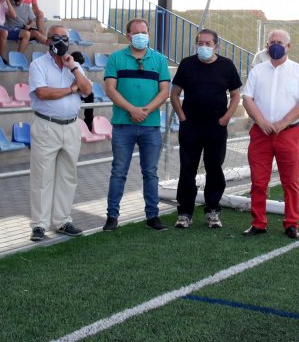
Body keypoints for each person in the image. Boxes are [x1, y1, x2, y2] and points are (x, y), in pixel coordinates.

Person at [241, 29, 299, 239]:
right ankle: (258, 223)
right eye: (272, 42)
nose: (275, 45)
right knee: (258, 181)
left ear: (288, 46)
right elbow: (247, 99)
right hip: (261, 133)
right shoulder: (257, 71)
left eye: (280, 42)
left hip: (289, 133)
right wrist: (262, 122)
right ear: (266, 46)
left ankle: (292, 223)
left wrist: (283, 123)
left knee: (290, 182)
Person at [102, 18, 171, 232]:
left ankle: (152, 216)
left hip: (151, 127)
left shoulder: (159, 60)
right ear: (128, 36)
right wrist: (132, 110)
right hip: (123, 125)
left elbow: (165, 92)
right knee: (118, 171)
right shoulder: (116, 58)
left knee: (150, 172)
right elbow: (110, 90)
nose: (141, 35)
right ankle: (112, 216)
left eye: (144, 32)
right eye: (136, 32)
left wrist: (145, 111)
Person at [170, 28, 242, 229]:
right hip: (190, 127)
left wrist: (225, 118)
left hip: (216, 127)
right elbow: (174, 94)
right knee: (187, 169)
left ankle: (212, 211)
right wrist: (182, 118)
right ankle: (185, 212)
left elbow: (236, 95)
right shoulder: (187, 64)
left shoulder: (226, 65)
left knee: (214, 168)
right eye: (200, 43)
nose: (203, 47)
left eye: (208, 43)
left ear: (216, 46)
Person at [28, 25, 92, 241]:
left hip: (71, 126)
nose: (61, 42)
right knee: (42, 176)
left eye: (65, 38)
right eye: (56, 37)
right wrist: (71, 89)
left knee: (68, 176)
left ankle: (62, 220)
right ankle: (39, 224)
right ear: (48, 41)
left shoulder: (74, 65)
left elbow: (87, 90)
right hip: (47, 125)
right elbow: (42, 93)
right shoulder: (38, 65)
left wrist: (73, 68)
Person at [70, 51, 94, 130]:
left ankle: (88, 121)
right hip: (70, 92)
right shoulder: (72, 66)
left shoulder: (79, 68)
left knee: (90, 94)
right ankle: (88, 122)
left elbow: (87, 83)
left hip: (78, 91)